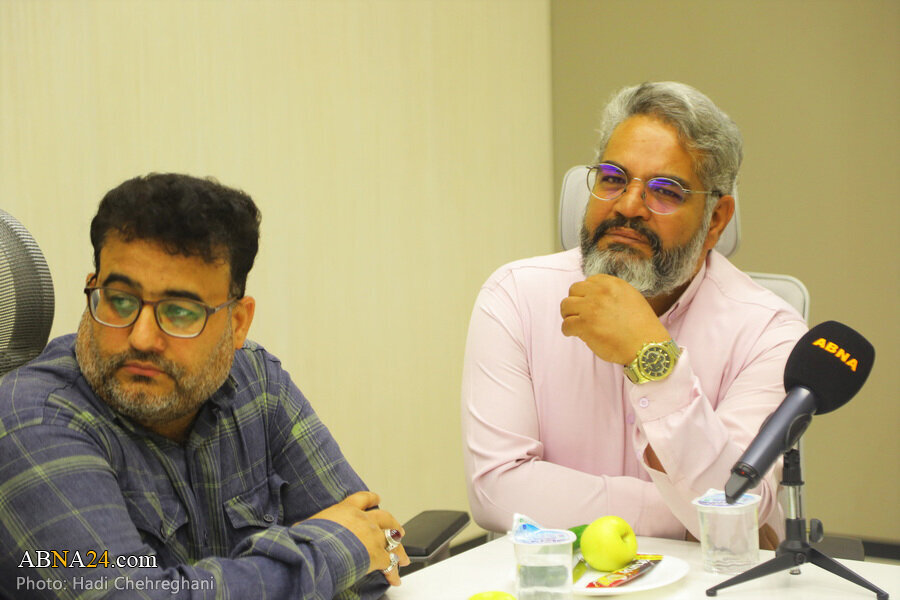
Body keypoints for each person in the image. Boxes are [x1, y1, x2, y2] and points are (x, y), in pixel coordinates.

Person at [0, 174, 409, 599]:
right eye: (120, 300)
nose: (142, 337)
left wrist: (332, 557)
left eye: (180, 312)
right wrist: (326, 553)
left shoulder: (255, 382)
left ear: (237, 323)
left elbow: (379, 552)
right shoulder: (30, 420)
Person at [461, 82, 807, 548]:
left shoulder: (770, 331)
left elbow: (734, 508)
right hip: (554, 576)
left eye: (665, 191)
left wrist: (652, 360)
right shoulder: (516, 297)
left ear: (716, 219)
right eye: (612, 178)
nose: (627, 206)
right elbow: (495, 494)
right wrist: (686, 515)